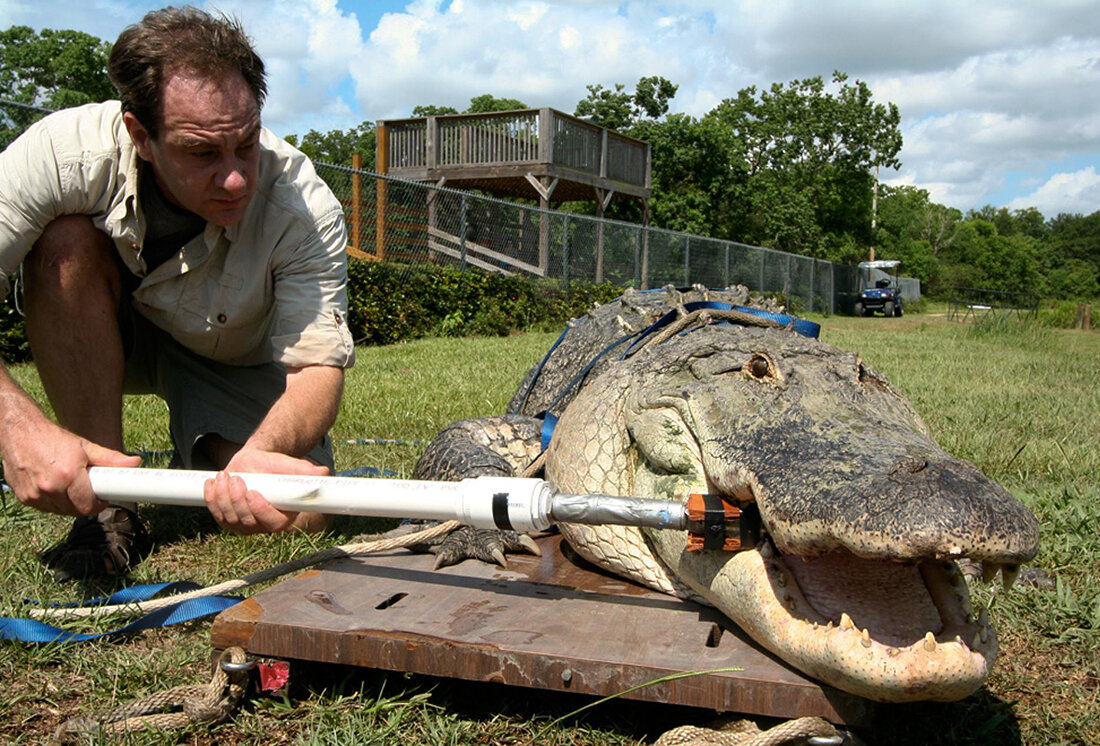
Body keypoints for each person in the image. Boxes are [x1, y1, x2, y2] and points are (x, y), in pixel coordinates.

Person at [0, 6, 355, 580]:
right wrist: (16, 426)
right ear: (140, 135)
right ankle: (110, 509)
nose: (237, 176)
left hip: (232, 357)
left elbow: (318, 365)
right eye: (201, 152)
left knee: (293, 513)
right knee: (64, 241)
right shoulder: (63, 155)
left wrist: (263, 451)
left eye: (246, 143)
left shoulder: (303, 208)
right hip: (105, 323)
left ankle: (223, 445)